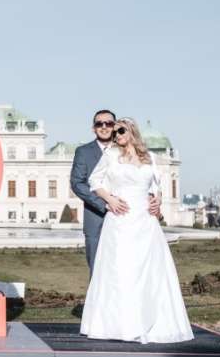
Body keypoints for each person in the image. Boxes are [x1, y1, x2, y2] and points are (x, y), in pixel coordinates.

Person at [80, 117, 193, 344]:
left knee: (149, 270)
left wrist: (158, 200)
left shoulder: (149, 157)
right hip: (120, 220)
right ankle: (121, 325)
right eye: (114, 132)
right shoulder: (111, 155)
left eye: (120, 130)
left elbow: (156, 185)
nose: (116, 134)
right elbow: (94, 181)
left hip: (145, 221)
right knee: (121, 269)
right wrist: (109, 199)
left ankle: (151, 321)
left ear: (131, 131)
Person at [70, 109, 161, 274]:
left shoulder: (139, 154)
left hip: (136, 217)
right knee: (99, 272)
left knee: (138, 266)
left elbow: (152, 182)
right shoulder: (84, 152)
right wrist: (106, 203)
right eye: (99, 124)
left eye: (109, 124)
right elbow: (77, 184)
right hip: (97, 217)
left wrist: (156, 199)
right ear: (93, 128)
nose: (104, 127)